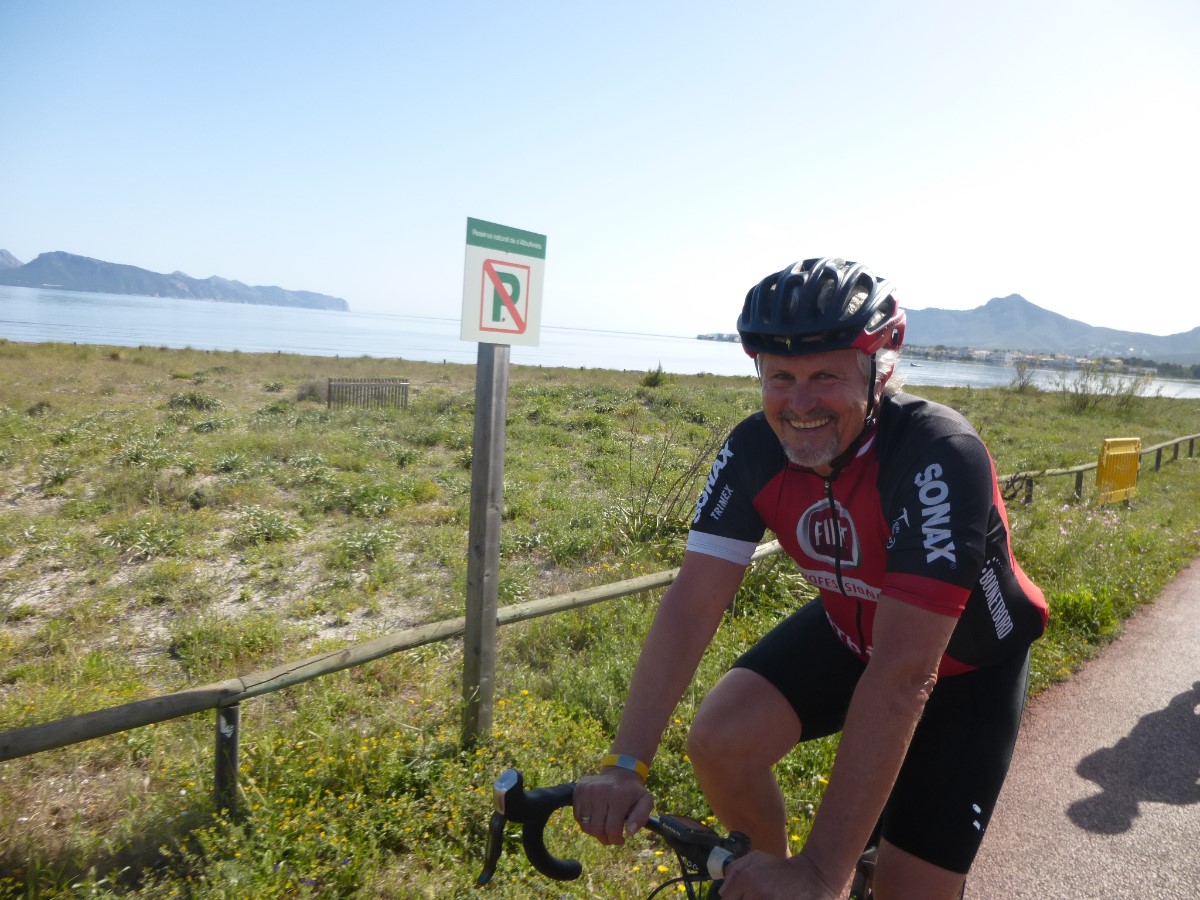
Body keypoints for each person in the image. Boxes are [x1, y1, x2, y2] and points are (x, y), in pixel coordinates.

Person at [572, 257, 1048, 899]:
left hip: (967, 668)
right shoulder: (753, 450)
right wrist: (625, 763)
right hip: (853, 632)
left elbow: (905, 674)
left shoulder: (937, 454)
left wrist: (821, 871)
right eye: (780, 377)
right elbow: (692, 603)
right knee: (721, 740)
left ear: (879, 370)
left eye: (825, 375)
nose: (799, 405)